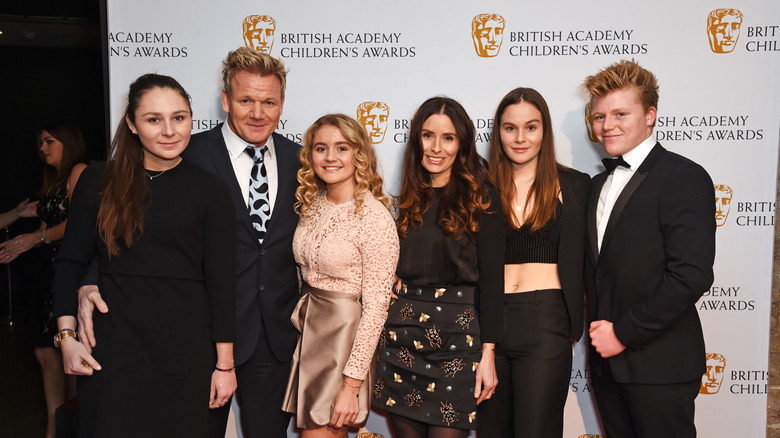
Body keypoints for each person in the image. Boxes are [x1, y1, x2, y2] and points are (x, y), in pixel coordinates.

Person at [77, 47, 302, 438]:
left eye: (269, 101)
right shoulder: (182, 153)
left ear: (282, 103)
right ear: (225, 100)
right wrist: (91, 278)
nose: (257, 112)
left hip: (273, 336)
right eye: (246, 100)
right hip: (196, 340)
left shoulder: (303, 162)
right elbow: (120, 224)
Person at [53, 73, 237, 437]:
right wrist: (66, 338)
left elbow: (222, 283)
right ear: (132, 124)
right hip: (113, 352)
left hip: (188, 355)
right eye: (154, 119)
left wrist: (225, 366)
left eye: (179, 117)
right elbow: (69, 263)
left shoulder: (211, 189)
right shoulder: (98, 181)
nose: (169, 131)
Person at [583, 60, 716, 437]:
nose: (608, 125)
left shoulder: (684, 177)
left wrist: (623, 333)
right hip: (606, 368)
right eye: (600, 116)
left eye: (620, 113)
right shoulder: (596, 185)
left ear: (650, 115)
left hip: (660, 367)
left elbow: (690, 276)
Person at [373, 97, 503, 438]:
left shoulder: (481, 196)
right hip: (402, 339)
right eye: (428, 135)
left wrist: (488, 352)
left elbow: (492, 281)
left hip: (458, 344)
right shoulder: (407, 198)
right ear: (417, 139)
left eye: (448, 138)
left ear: (461, 144)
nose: (436, 147)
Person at [478, 87, 590, 438]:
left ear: (545, 131)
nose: (520, 138)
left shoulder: (575, 186)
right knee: (492, 430)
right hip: (489, 324)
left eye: (531, 127)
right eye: (510, 128)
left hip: (546, 320)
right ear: (498, 133)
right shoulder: (480, 189)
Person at [282, 114, 399, 437]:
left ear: (358, 153)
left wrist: (351, 384)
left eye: (342, 148)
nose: (330, 157)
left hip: (343, 341)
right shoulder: (312, 204)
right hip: (309, 333)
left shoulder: (374, 217)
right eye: (321, 148)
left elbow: (376, 308)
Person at [0, 123, 87, 438]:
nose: (43, 148)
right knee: (44, 352)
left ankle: (74, 425)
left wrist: (33, 238)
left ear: (68, 141)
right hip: (46, 270)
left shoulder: (79, 170)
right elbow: (39, 226)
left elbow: (79, 221)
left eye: (50, 141)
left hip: (69, 270)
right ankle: (54, 429)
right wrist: (21, 239)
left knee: (69, 352)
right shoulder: (52, 182)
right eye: (40, 143)